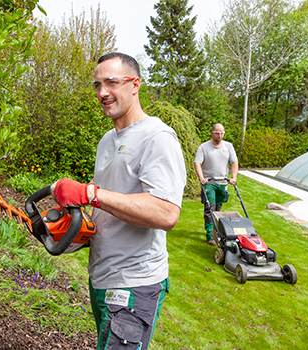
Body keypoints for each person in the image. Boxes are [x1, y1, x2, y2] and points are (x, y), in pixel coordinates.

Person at [51, 52, 186, 350]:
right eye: (97, 85)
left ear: (135, 84)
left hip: (135, 282)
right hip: (101, 275)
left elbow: (166, 213)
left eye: (111, 82)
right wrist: (74, 232)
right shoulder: (107, 140)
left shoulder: (157, 137)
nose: (102, 92)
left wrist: (90, 193)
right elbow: (110, 208)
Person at [193, 123, 238, 246]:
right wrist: (201, 178)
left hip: (223, 182)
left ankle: (217, 231)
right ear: (212, 133)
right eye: (217, 133)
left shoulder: (228, 146)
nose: (220, 136)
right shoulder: (204, 147)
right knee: (210, 208)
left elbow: (234, 162)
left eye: (222, 133)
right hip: (209, 183)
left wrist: (233, 177)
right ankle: (209, 234)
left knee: (218, 209)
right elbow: (197, 163)